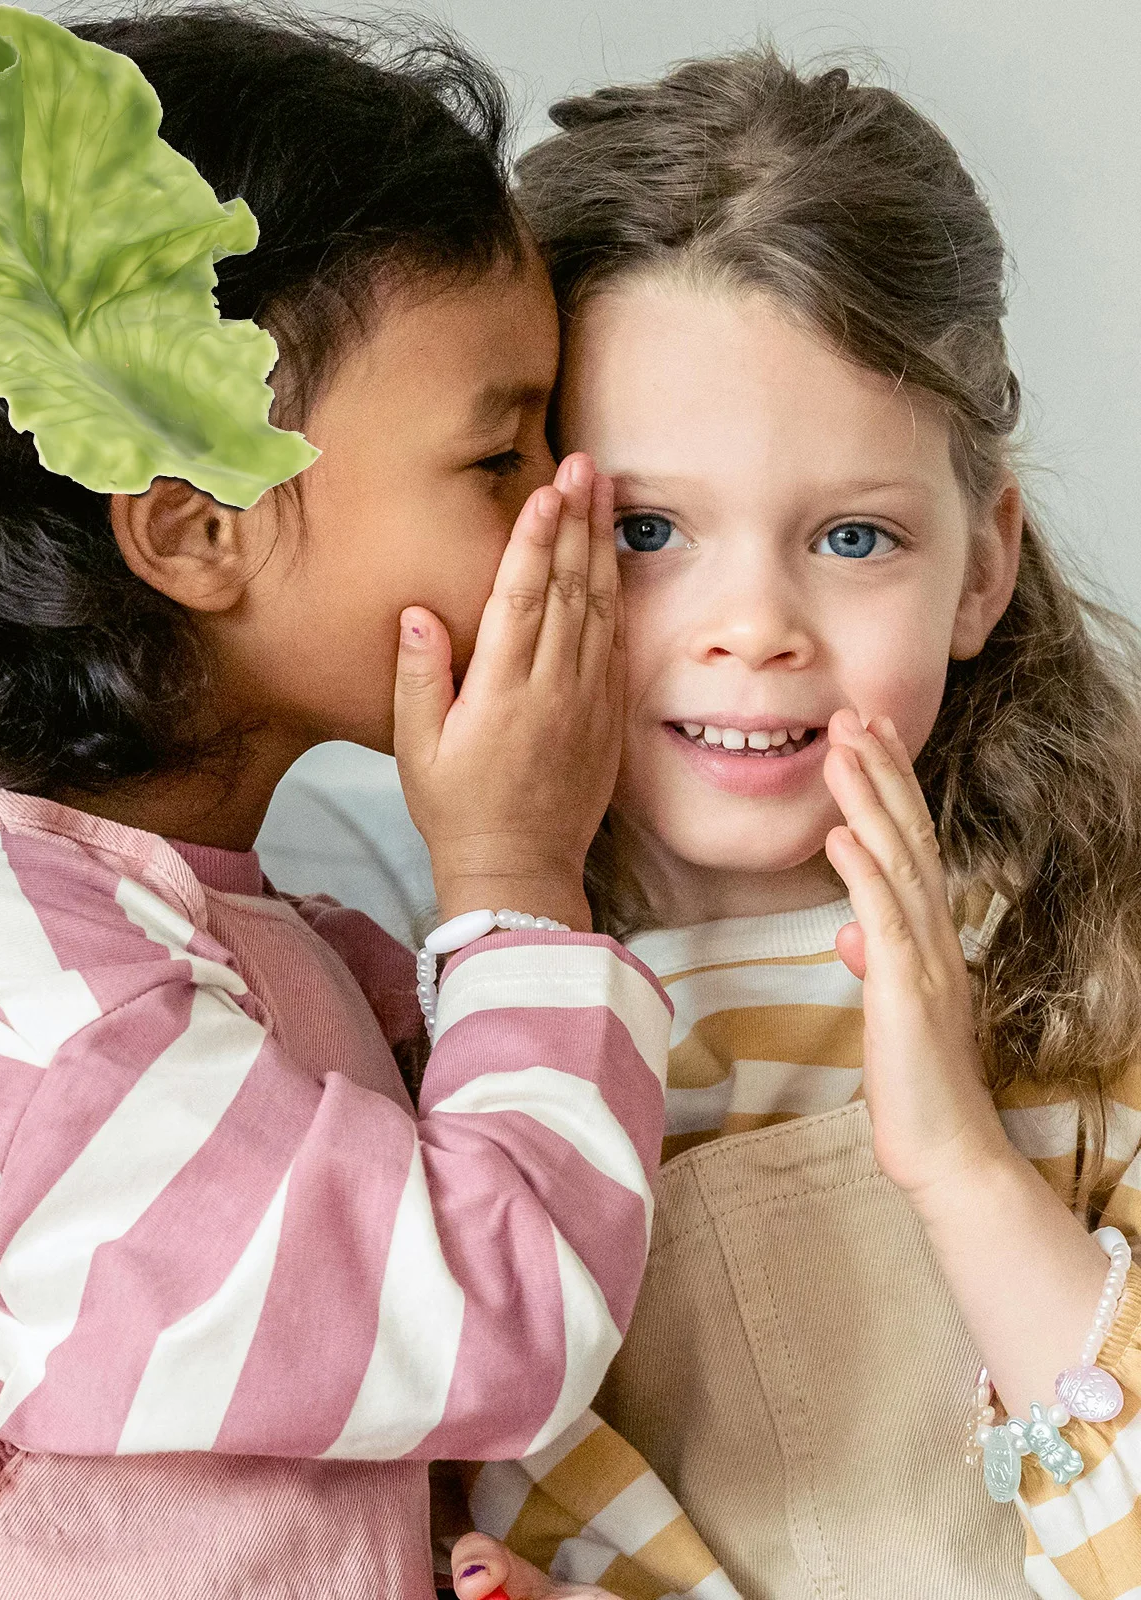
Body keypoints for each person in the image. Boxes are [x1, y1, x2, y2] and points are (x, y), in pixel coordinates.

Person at [0, 7, 670, 1598]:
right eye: (501, 455)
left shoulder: (263, 949)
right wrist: (516, 872)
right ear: (195, 526)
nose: (576, 503)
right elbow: (494, 1313)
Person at [446, 48, 1141, 1600]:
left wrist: (958, 1159)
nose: (753, 625)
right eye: (645, 532)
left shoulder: (1101, 960)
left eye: (851, 536)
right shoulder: (451, 1036)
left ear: (980, 566)